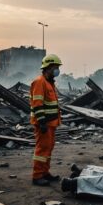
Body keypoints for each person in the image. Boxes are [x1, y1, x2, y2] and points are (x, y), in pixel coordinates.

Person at [30, 54, 62, 186]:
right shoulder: (39, 82)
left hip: (51, 123)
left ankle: (45, 173)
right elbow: (37, 104)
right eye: (55, 67)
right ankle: (37, 176)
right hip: (44, 123)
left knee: (48, 148)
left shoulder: (50, 83)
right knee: (42, 149)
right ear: (48, 68)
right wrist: (42, 122)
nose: (57, 70)